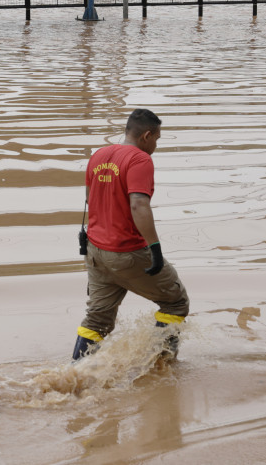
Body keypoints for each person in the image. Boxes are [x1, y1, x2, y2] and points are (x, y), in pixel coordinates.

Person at [73, 108, 190, 361]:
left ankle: (74, 377)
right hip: (127, 252)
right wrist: (155, 249)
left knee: (97, 319)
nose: (155, 145)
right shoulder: (140, 159)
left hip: (95, 252)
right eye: (157, 139)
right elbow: (138, 204)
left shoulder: (98, 156)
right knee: (176, 302)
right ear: (147, 135)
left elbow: (88, 198)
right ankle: (160, 366)